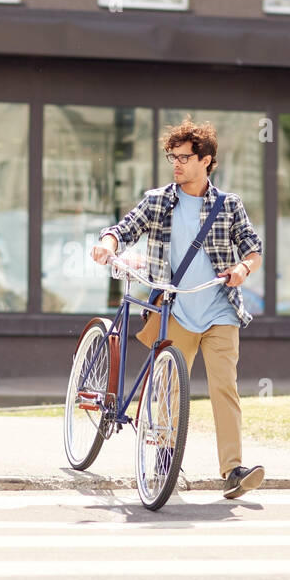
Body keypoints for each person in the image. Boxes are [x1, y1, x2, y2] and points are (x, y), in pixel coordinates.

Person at [91, 117, 266, 499]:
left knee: (225, 389)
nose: (176, 163)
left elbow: (253, 248)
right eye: (173, 156)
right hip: (175, 310)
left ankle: (233, 470)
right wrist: (108, 243)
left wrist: (241, 267)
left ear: (206, 160)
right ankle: (166, 458)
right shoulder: (158, 200)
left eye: (184, 157)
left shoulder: (228, 205)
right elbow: (124, 228)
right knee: (170, 389)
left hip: (220, 310)